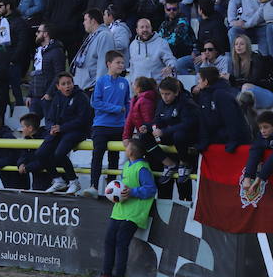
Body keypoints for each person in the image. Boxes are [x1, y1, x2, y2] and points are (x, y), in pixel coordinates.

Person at [101, 139, 156, 277]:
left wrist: (133, 192)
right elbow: (121, 187)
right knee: (109, 240)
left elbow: (150, 189)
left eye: (128, 147)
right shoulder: (126, 165)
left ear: (131, 151)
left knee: (121, 242)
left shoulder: (142, 168)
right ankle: (106, 273)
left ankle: (119, 274)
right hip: (119, 211)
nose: (125, 148)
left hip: (134, 213)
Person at [31, 72, 91, 196]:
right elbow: (50, 117)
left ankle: (74, 181)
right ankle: (58, 180)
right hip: (60, 131)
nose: (67, 86)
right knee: (40, 153)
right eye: (63, 84)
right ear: (58, 87)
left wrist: (61, 128)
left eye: (69, 83)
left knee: (59, 154)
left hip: (77, 131)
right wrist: (51, 128)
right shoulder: (57, 97)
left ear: (73, 83)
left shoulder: (81, 97)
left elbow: (83, 120)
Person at [83, 51, 131, 198]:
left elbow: (127, 103)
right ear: (108, 64)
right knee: (97, 155)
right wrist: (117, 109)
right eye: (118, 63)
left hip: (119, 126)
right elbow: (95, 102)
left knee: (114, 158)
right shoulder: (101, 81)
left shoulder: (125, 82)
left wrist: (128, 120)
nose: (121, 65)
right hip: (101, 125)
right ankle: (93, 186)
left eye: (122, 63)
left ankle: (112, 188)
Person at [138, 77, 198, 187]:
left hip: (187, 136)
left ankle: (184, 163)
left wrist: (164, 131)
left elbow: (188, 124)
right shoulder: (161, 103)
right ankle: (169, 164)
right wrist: (147, 127)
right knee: (143, 136)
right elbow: (157, 120)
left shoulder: (186, 103)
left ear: (176, 92)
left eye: (167, 94)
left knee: (179, 135)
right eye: (162, 94)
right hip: (168, 134)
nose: (164, 97)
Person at [195, 66, 251, 153]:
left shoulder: (221, 94)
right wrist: (203, 140)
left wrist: (233, 141)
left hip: (229, 137)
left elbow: (231, 119)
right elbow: (203, 120)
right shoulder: (203, 94)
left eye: (199, 79)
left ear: (206, 81)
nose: (197, 82)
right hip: (216, 135)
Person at [242, 111, 273, 197]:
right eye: (260, 128)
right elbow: (254, 151)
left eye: (265, 127)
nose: (262, 131)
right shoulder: (261, 135)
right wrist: (247, 177)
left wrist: (259, 178)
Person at [25, 24, 66, 119]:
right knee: (32, 126)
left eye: (39, 32)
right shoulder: (38, 51)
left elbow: (59, 74)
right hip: (35, 97)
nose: (36, 34)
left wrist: (49, 93)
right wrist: (29, 95)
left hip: (48, 97)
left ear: (46, 34)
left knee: (50, 125)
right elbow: (34, 74)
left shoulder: (56, 51)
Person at [71, 9, 115, 91]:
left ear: (93, 21)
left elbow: (104, 64)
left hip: (92, 88)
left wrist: (100, 88)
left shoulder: (104, 36)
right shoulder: (92, 35)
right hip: (83, 86)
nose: (84, 23)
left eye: (85, 20)